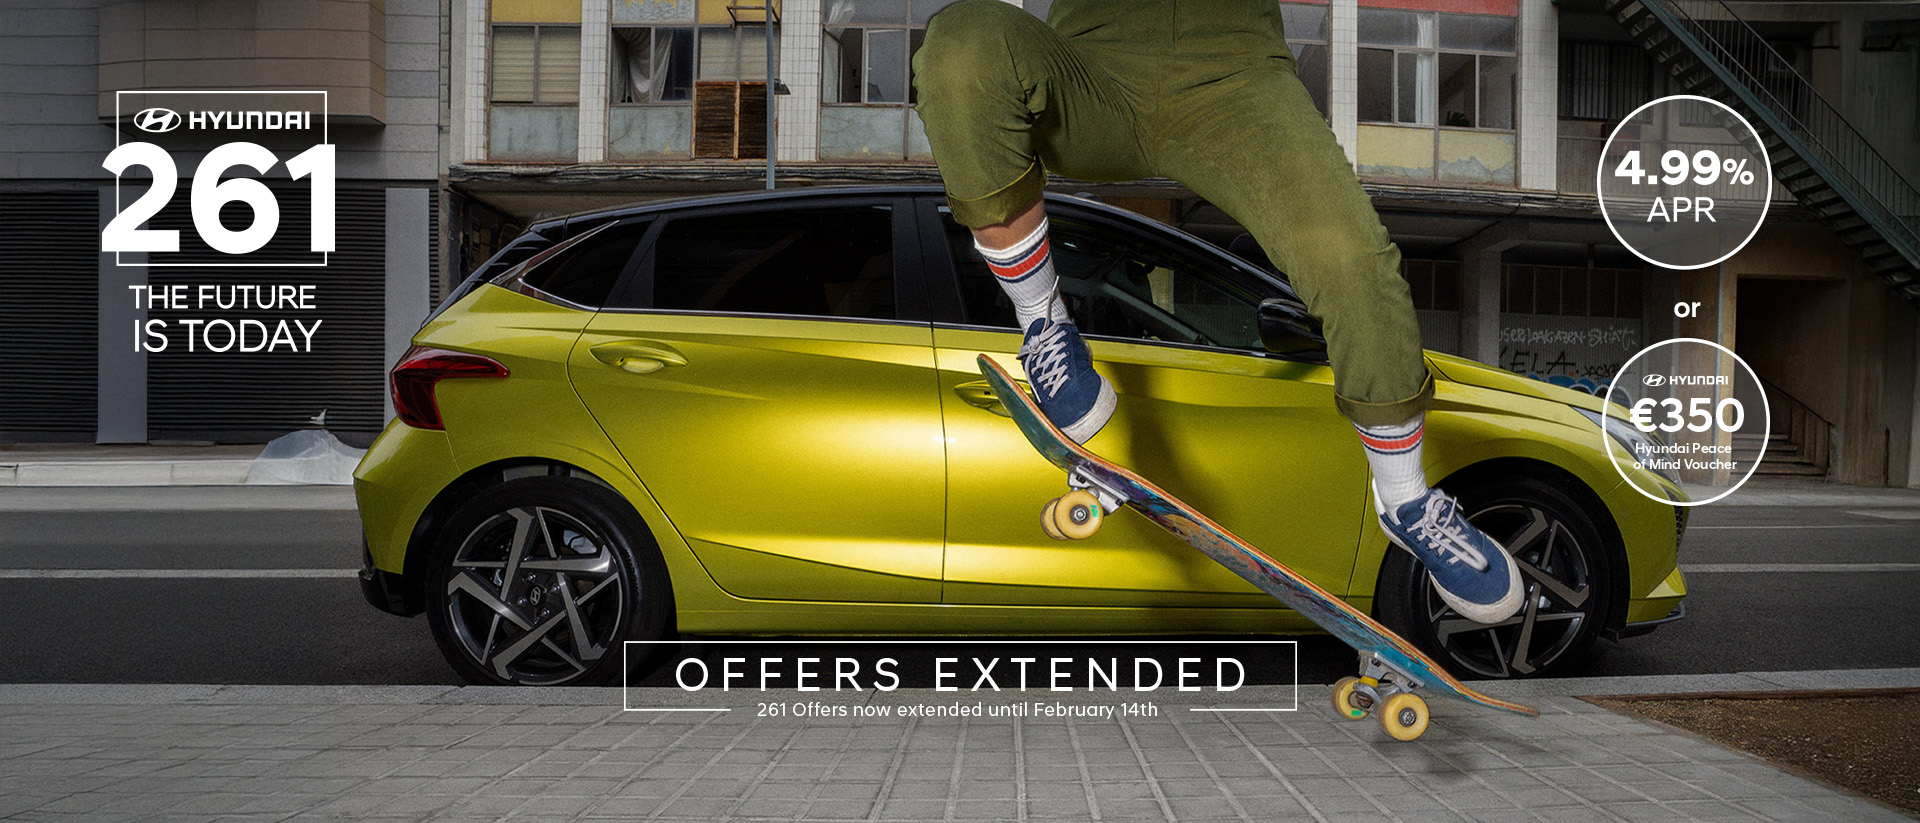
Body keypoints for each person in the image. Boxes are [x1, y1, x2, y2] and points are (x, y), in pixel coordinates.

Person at [913, 0, 1523, 624]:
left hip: (1236, 83)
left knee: (1353, 263)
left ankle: (1406, 502)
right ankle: (1044, 321)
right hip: (1090, 77)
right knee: (962, 40)